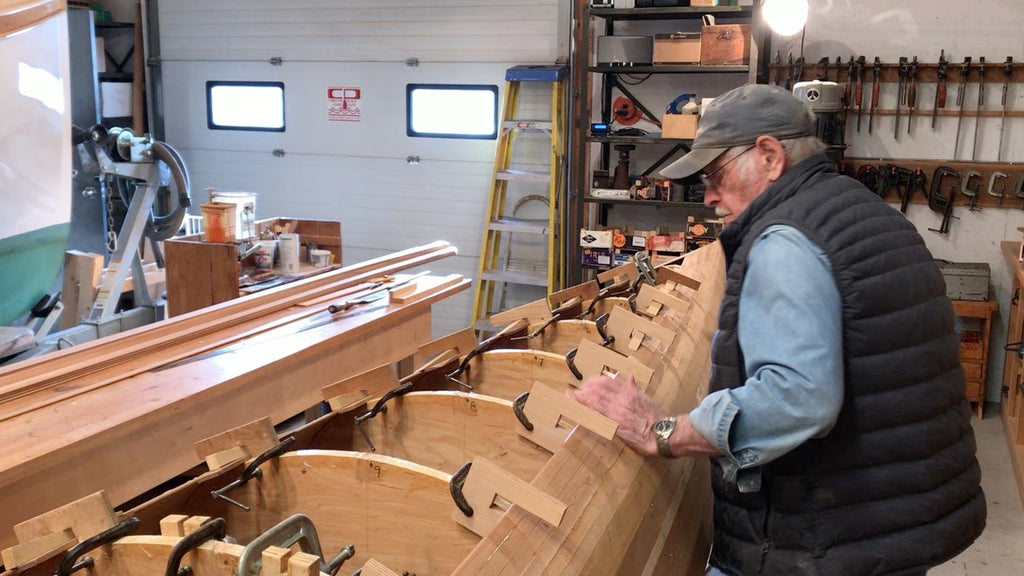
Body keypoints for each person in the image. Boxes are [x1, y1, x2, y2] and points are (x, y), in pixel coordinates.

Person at [572, 84, 986, 575]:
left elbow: (797, 397)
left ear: (768, 155)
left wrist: (664, 431)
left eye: (716, 175)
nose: (709, 197)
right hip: (892, 522)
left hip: (819, 540)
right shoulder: (864, 210)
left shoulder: (785, 241)